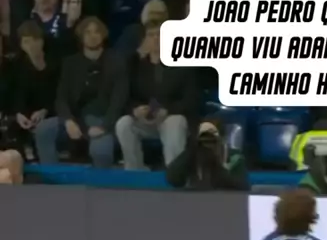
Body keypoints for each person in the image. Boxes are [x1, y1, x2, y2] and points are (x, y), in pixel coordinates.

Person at [35, 16, 128, 168]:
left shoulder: (116, 62)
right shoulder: (70, 63)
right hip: (76, 118)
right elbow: (61, 97)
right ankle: (51, 175)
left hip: (103, 119)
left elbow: (119, 101)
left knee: (101, 151)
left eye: (96, 32)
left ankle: (100, 181)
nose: (92, 36)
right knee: (43, 129)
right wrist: (68, 120)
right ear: (81, 36)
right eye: (88, 32)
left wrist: (104, 126)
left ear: (103, 35)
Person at [116, 20, 197, 170]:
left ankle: (174, 173)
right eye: (151, 35)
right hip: (145, 121)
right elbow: (125, 97)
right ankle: (135, 171)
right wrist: (135, 110)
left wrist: (168, 110)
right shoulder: (136, 66)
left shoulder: (183, 65)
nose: (156, 38)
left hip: (171, 118)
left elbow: (191, 100)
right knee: (124, 123)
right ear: (145, 40)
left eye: (160, 34)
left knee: (175, 122)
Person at [14, 20, 59, 156]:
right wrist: (20, 114)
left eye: (35, 40)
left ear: (42, 41)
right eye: (26, 42)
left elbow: (61, 94)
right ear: (21, 45)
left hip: (53, 112)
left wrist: (45, 110)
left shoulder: (56, 63)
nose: (31, 45)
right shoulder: (17, 66)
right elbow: (16, 95)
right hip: (27, 117)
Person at [166, 119, 249, 190]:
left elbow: (242, 187)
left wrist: (218, 166)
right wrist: (190, 152)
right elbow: (173, 179)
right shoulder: (193, 155)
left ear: (222, 139)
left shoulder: (234, 157)